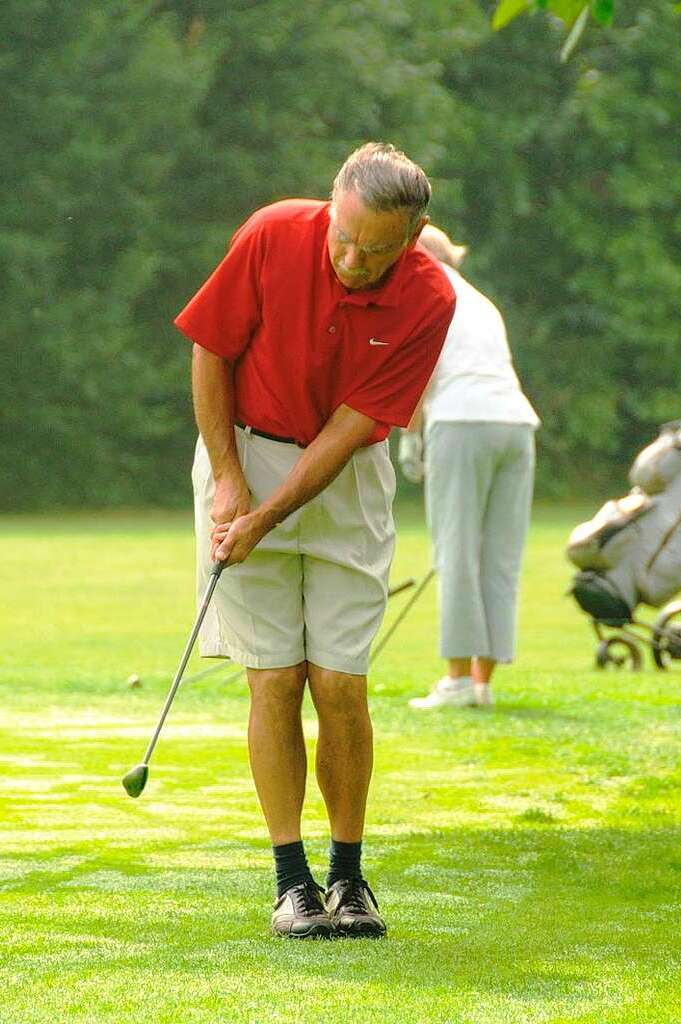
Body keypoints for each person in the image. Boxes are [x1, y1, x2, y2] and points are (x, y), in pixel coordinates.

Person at [173, 143, 455, 939]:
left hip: (346, 475)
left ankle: (348, 876)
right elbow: (211, 350)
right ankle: (290, 882)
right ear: (332, 202)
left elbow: (350, 430)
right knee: (275, 677)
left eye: (375, 248)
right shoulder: (270, 233)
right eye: (343, 237)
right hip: (245, 452)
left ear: (414, 234)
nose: (352, 259)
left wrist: (269, 516)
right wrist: (230, 481)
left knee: (339, 681)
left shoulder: (429, 296)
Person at [400, 225, 539, 710]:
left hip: (461, 422)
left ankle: (457, 681)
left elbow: (417, 372)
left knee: (456, 549)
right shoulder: (482, 302)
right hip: (517, 426)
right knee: (500, 555)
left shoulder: (423, 293)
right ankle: (482, 682)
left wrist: (410, 437)